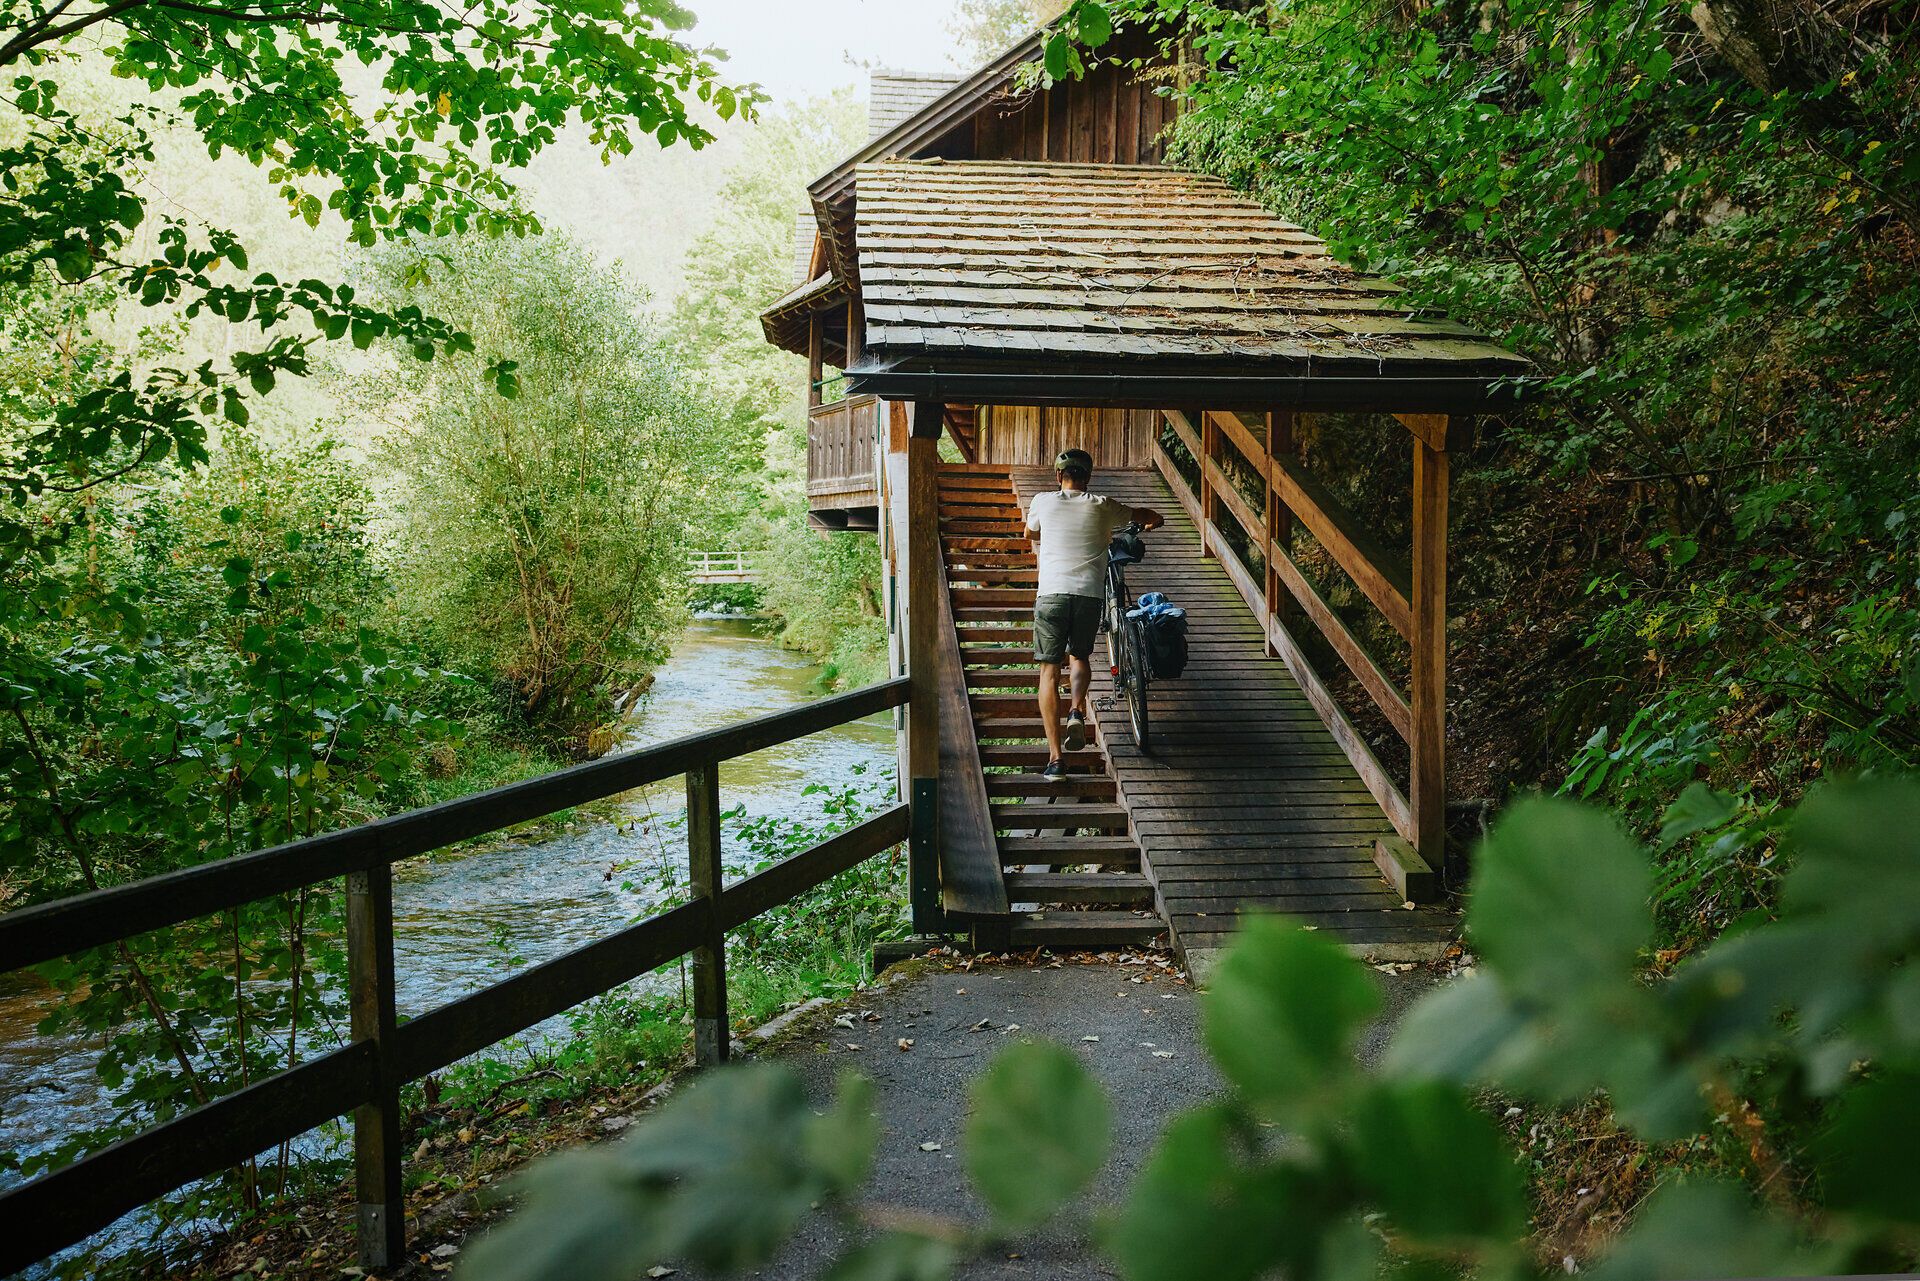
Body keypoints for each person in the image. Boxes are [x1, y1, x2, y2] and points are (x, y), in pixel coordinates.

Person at [1024, 448, 1163, 781]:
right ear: (1088, 477)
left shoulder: (1043, 501)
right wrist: (1150, 523)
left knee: (1048, 672)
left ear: (1059, 476)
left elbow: (1029, 533)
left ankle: (1056, 760)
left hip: (1051, 595)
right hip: (1087, 595)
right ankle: (1076, 709)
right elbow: (1147, 515)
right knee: (1080, 656)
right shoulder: (1102, 506)